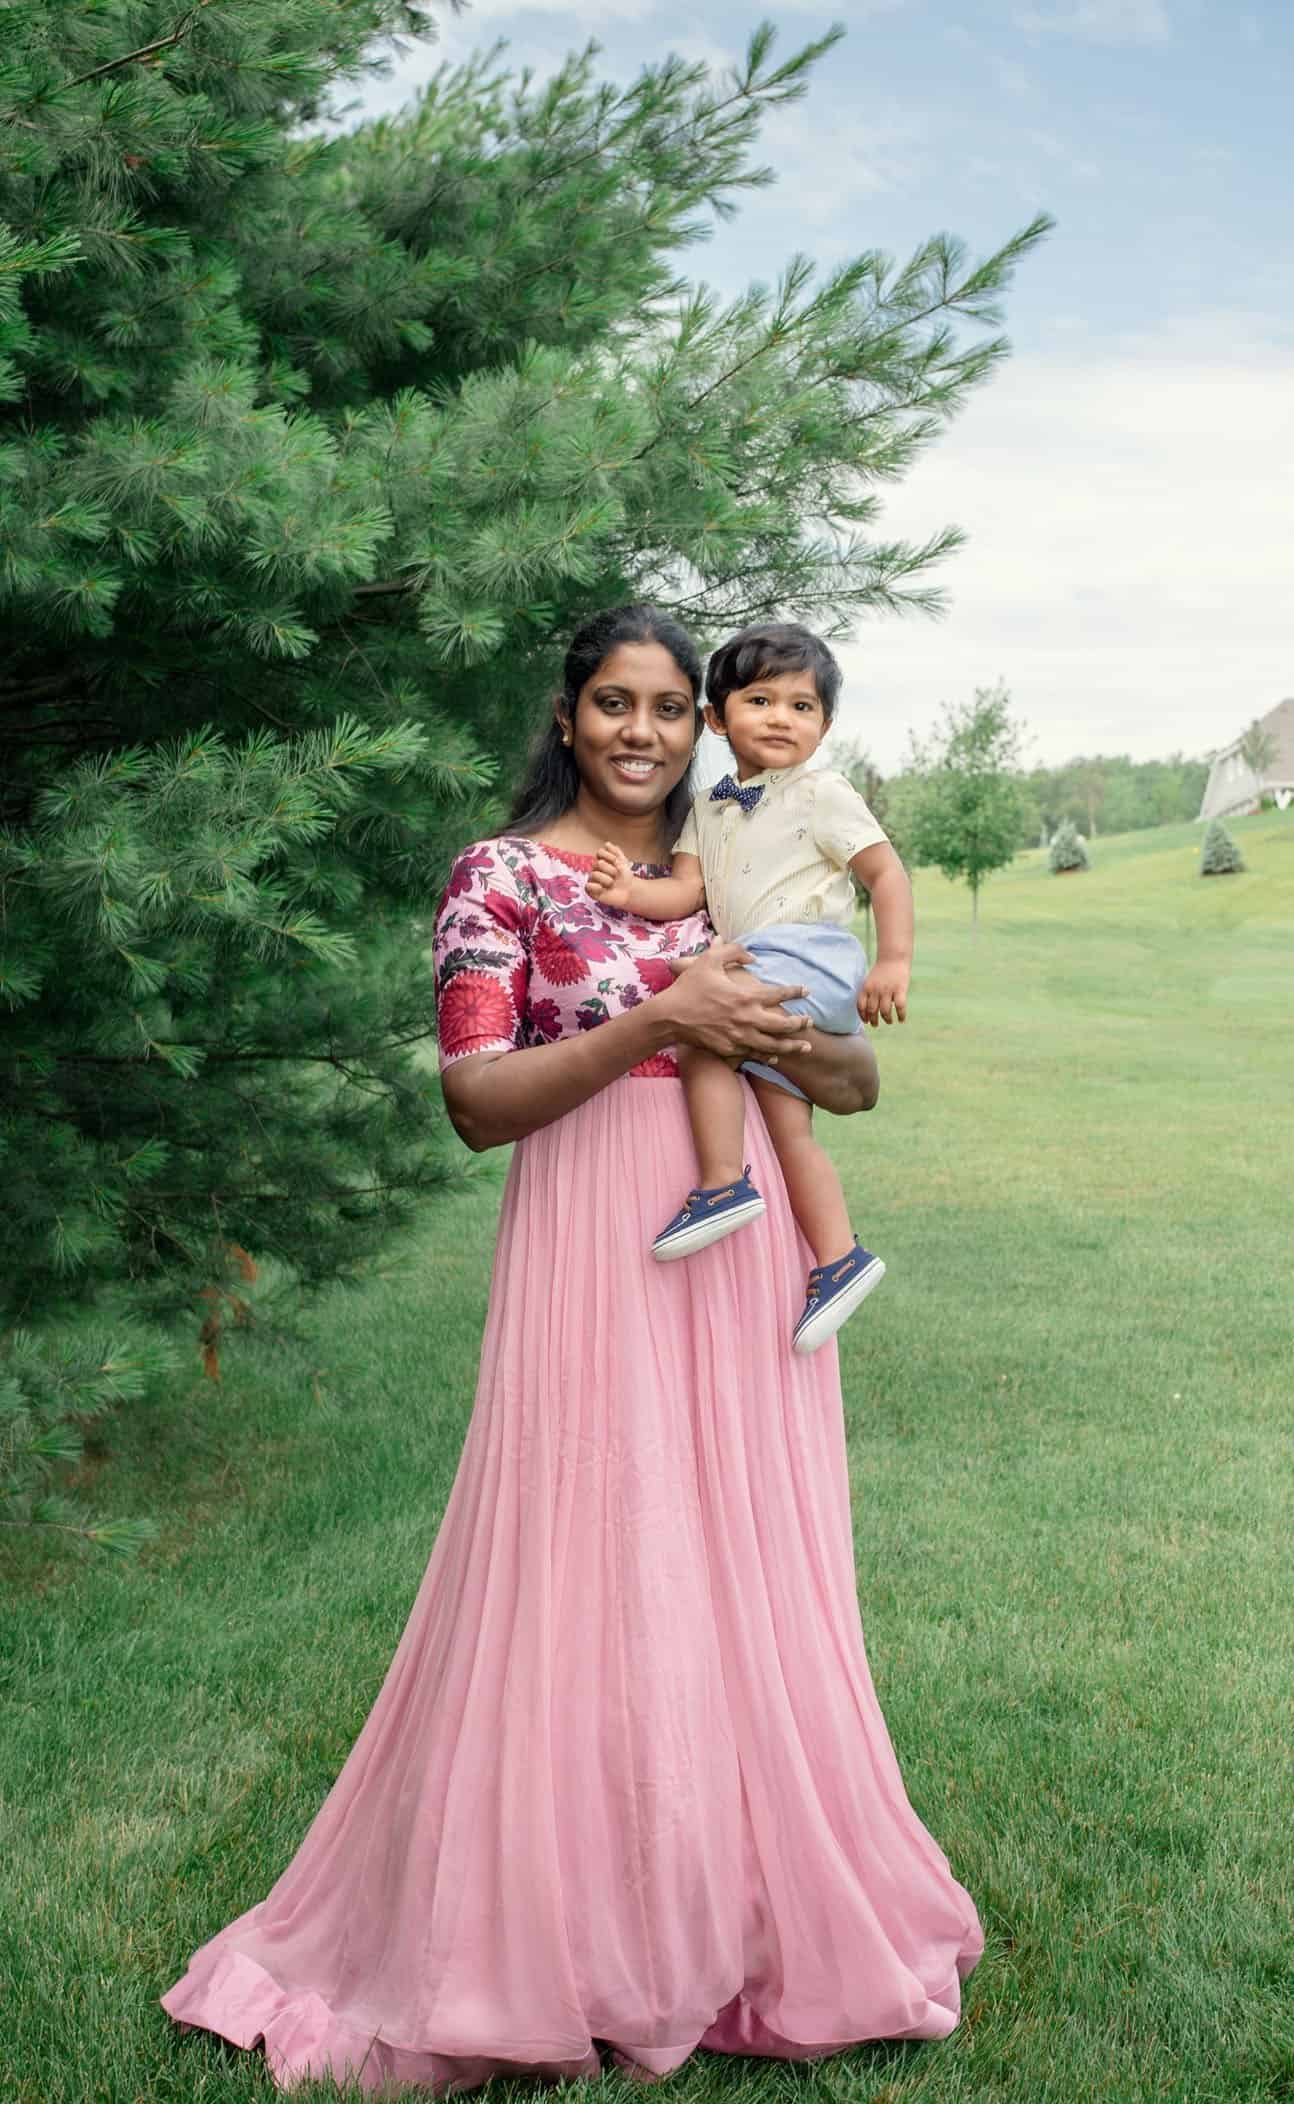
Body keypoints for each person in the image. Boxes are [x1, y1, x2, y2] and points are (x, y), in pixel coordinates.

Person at [159, 605, 983, 2095]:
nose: (641, 732)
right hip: (596, 1250)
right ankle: (559, 1929)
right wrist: (665, 1014)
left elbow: (853, 1081)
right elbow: (478, 1100)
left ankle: (741, 1919)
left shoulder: (741, 854)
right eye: (614, 702)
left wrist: (775, 1026)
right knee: (591, 1555)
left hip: (742, 1254)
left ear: (702, 725)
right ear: (566, 714)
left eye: (668, 707)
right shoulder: (504, 876)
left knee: (740, 1559)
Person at [587, 621, 912, 1355]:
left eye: (802, 707)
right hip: (765, 958)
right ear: (715, 718)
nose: (780, 718)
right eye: (760, 701)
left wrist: (892, 960)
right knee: (788, 1124)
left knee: (704, 1030)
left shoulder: (822, 792)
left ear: (825, 727)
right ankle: (839, 1257)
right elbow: (685, 891)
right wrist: (630, 894)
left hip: (808, 952)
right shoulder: (708, 806)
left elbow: (885, 873)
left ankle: (723, 1183)